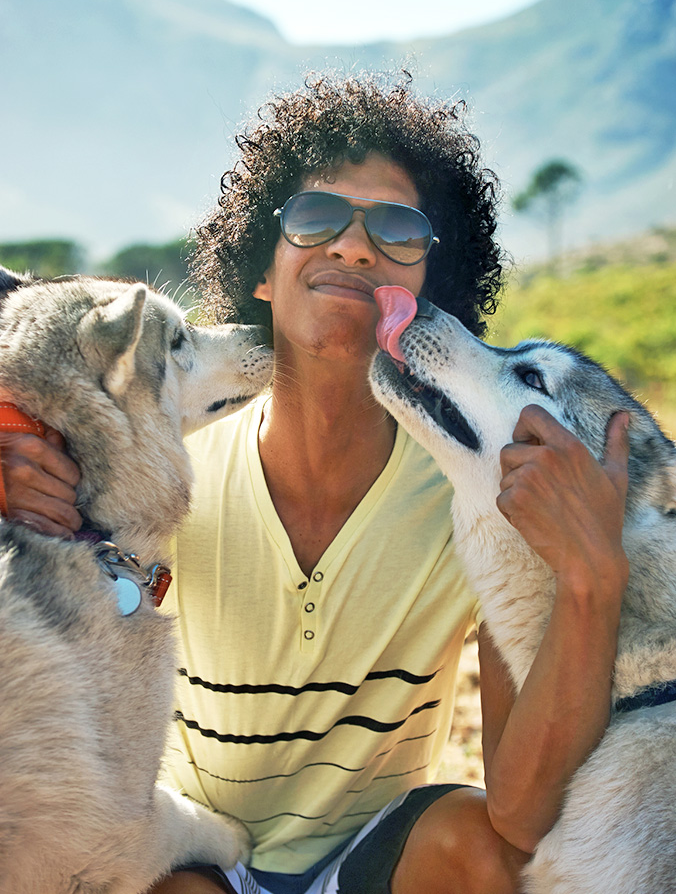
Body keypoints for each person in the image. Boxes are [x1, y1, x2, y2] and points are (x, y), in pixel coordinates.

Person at [0, 71, 629, 894]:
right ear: (261, 272)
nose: (354, 246)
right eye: (316, 218)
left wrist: (592, 578)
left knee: (485, 852)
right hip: (194, 857)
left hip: (379, 857)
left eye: (399, 229)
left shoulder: (476, 491)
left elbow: (518, 814)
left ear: (429, 292)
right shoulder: (156, 468)